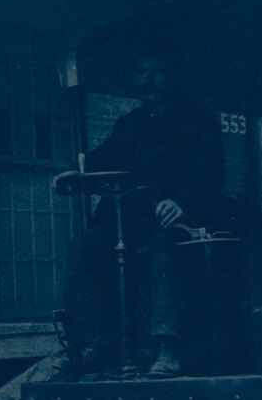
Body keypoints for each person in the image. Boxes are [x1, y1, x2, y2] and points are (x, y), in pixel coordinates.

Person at [57, 55, 225, 375]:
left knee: (162, 242)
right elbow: (100, 160)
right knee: (84, 246)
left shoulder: (197, 120)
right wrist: (72, 171)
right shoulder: (129, 124)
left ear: (172, 76)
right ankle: (87, 342)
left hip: (181, 216)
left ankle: (167, 345)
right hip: (131, 217)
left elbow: (212, 175)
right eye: (141, 72)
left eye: (157, 71)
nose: (147, 80)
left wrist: (182, 202)